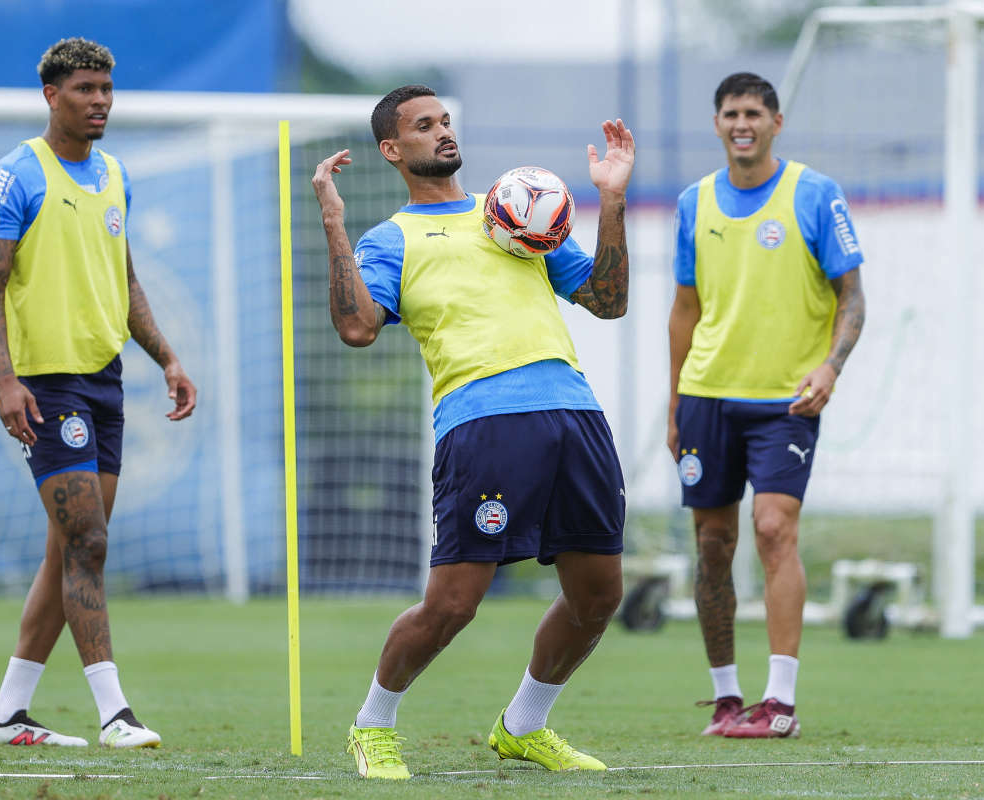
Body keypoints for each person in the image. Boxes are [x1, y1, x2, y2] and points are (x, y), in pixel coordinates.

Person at [311, 85, 634, 779]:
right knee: (454, 603)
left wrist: (610, 199)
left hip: (573, 414)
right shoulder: (389, 237)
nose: (443, 133)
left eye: (446, 121)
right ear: (393, 151)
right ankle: (373, 725)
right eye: (424, 126)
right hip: (481, 424)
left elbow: (607, 302)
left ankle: (523, 725)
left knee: (599, 594)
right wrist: (335, 224)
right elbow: (358, 327)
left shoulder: (515, 208)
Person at [0, 37, 196, 749]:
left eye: (105, 89)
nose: (99, 101)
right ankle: (115, 713)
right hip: (45, 385)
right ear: (51, 96)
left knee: (67, 550)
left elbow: (125, 282)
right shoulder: (17, 175)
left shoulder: (115, 175)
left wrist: (166, 357)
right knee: (89, 542)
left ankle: (6, 715)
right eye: (84, 90)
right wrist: (5, 381)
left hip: (104, 384)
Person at [667, 72, 866, 739]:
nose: (741, 123)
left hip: (786, 402)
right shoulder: (693, 202)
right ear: (718, 123)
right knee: (712, 545)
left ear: (776, 122)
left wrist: (831, 365)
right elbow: (685, 311)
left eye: (754, 112)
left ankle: (779, 704)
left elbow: (854, 297)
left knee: (775, 528)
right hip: (706, 397)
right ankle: (727, 698)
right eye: (730, 113)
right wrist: (673, 406)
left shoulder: (814, 193)